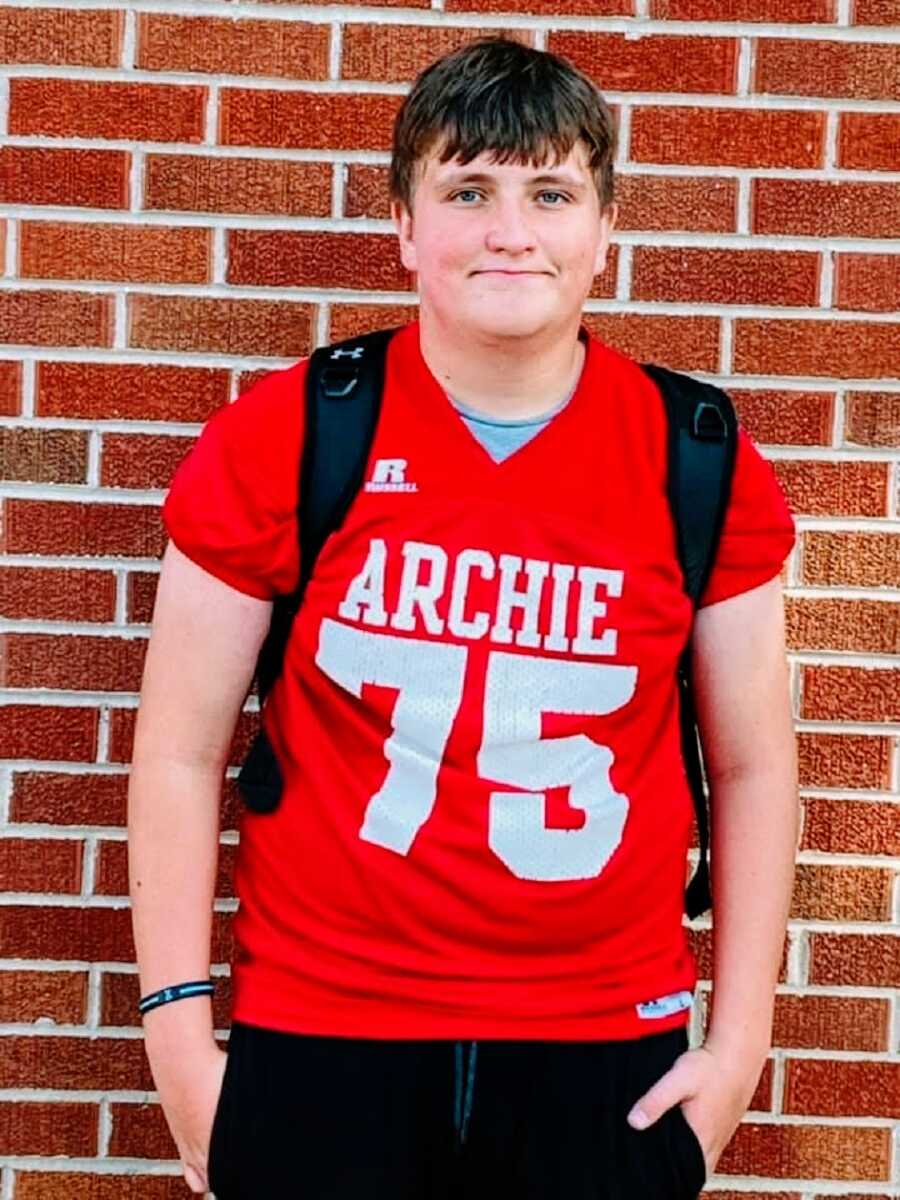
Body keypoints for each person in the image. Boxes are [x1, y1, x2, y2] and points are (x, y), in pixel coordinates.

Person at [128, 37, 798, 1200]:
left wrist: (737, 1044)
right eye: (468, 190)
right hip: (326, 1026)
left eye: (550, 192)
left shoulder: (700, 459)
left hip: (605, 1041)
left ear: (603, 230)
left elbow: (753, 765)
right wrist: (180, 1040)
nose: (510, 230)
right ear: (404, 227)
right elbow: (178, 750)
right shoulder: (291, 434)